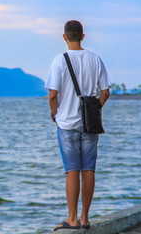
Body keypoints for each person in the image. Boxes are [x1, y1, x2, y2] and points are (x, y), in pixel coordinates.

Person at [45, 20, 111, 231]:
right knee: (88, 169)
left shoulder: (58, 61)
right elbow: (105, 92)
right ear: (83, 36)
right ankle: (84, 218)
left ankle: (71, 218)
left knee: (72, 169)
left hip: (66, 124)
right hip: (89, 124)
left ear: (64, 37)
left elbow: (53, 95)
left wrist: (55, 114)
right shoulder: (95, 59)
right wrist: (95, 110)